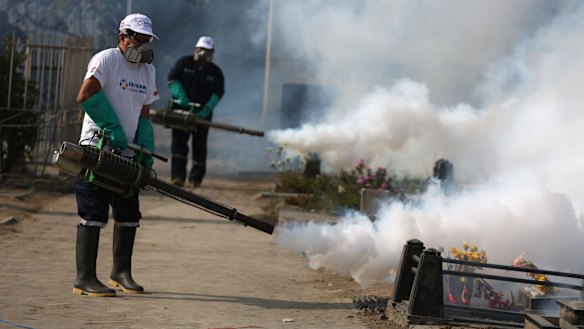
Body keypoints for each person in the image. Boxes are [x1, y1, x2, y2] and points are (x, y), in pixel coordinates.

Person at [73, 13, 159, 297]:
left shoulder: (148, 71)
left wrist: (145, 146)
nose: (143, 46)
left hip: (127, 153)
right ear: (123, 37)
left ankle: (120, 273)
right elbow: (85, 95)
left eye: (147, 41)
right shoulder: (107, 59)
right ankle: (84, 279)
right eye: (139, 39)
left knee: (129, 213)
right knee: (94, 211)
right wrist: (111, 127)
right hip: (98, 148)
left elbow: (144, 112)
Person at [168, 36, 225, 187]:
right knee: (179, 144)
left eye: (207, 51)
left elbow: (218, 92)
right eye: (200, 49)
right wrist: (180, 95)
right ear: (196, 49)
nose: (203, 53)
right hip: (181, 111)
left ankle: (196, 178)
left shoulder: (215, 72)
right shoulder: (184, 63)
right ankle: (178, 177)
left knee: (200, 146)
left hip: (202, 115)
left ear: (212, 52)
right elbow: (172, 79)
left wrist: (206, 110)